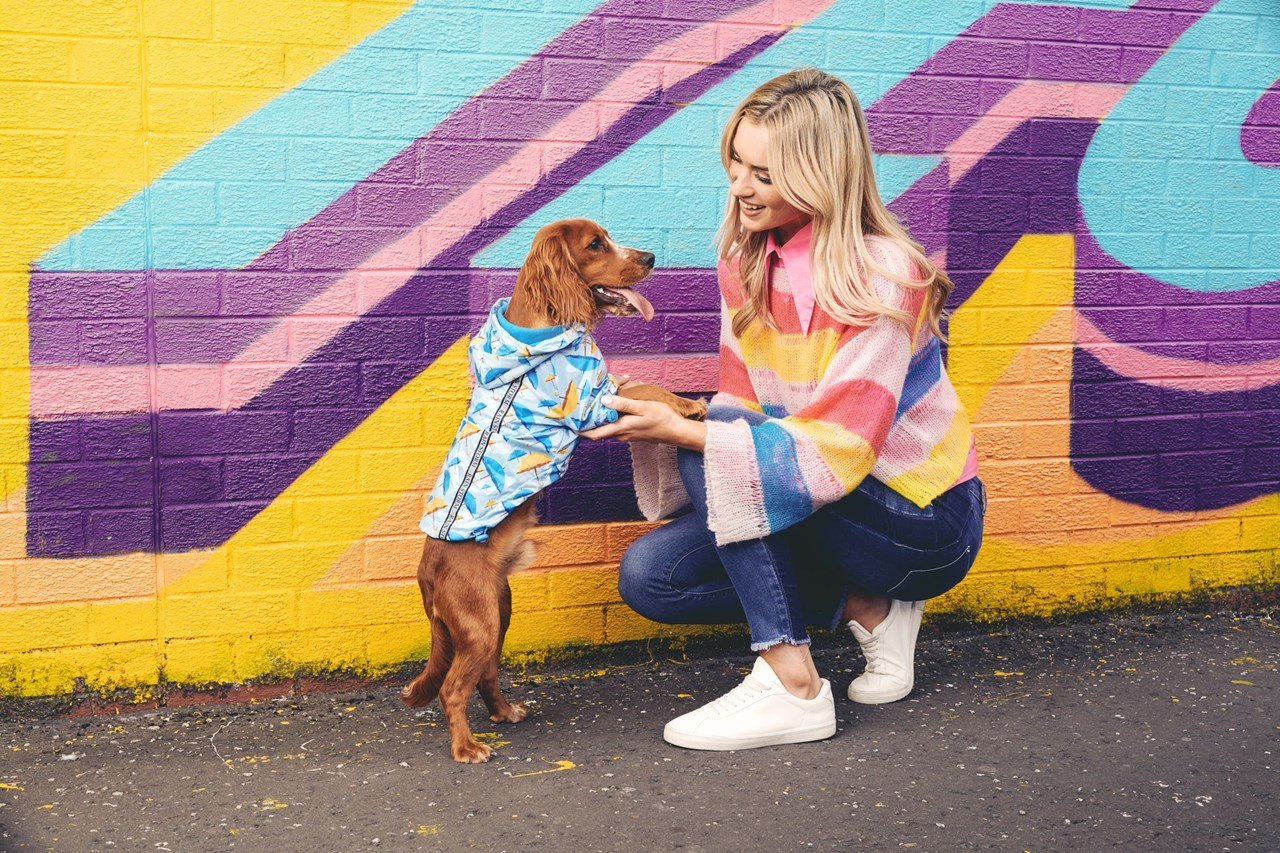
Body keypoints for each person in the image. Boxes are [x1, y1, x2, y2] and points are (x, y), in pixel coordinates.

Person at [579, 68, 986, 751]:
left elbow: (842, 448)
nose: (740, 186)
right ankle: (869, 610)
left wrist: (691, 428)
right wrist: (659, 411)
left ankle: (791, 682)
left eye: (763, 174)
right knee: (654, 578)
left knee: (712, 434)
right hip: (822, 491)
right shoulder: (745, 265)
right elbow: (744, 402)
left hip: (918, 520)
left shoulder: (885, 274)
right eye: (735, 163)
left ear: (819, 175)